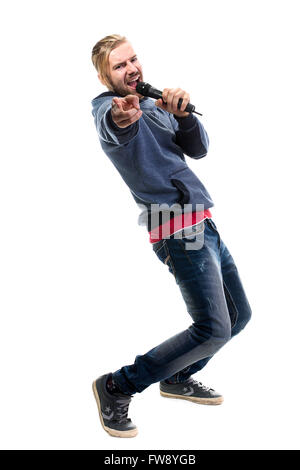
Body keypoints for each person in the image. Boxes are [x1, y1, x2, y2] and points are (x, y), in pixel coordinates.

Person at [90, 34, 252, 438]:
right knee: (213, 328)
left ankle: (178, 377)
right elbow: (114, 125)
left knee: (237, 316)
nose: (131, 70)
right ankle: (117, 385)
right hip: (177, 228)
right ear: (104, 76)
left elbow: (197, 150)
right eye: (119, 66)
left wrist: (182, 115)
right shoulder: (110, 108)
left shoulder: (154, 104)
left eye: (133, 60)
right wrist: (121, 116)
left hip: (204, 223)